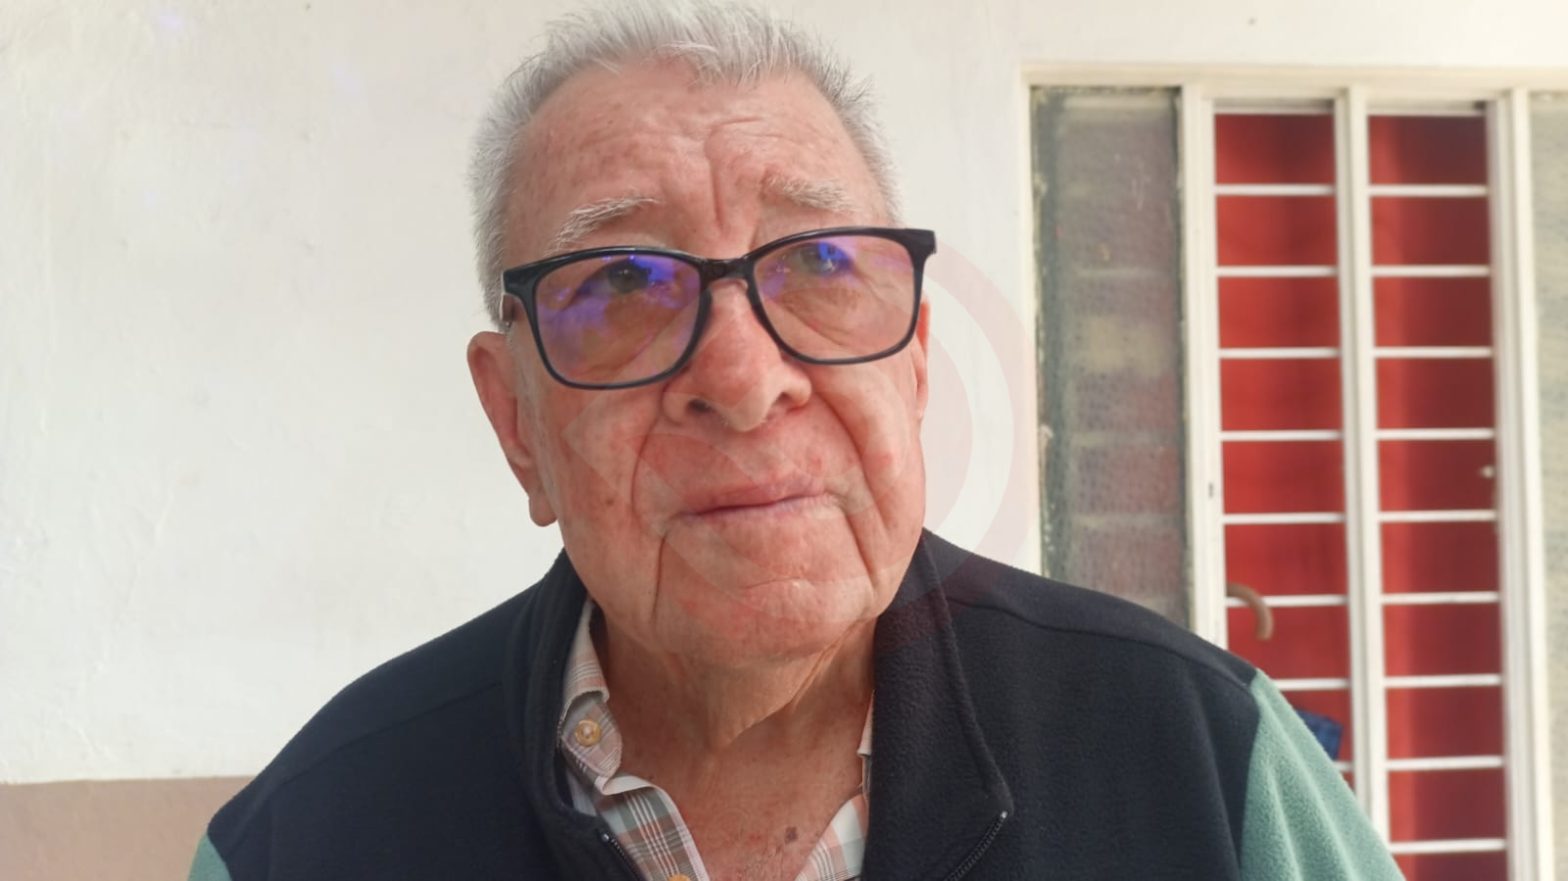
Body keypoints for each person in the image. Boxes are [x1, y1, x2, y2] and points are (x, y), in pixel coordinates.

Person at [188, 3, 1403, 879]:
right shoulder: (310, 838)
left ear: (914, 363)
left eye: (819, 262)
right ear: (516, 421)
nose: (741, 378)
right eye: (621, 284)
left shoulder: (1205, 764)